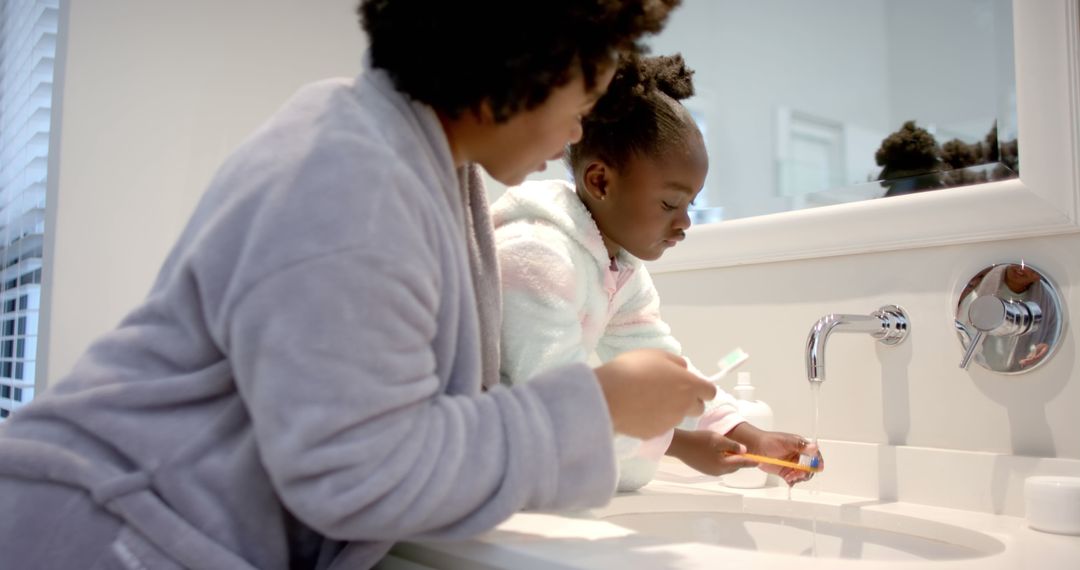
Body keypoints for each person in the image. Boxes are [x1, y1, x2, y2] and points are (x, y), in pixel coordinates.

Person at [0, 2, 718, 568]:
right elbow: (359, 471)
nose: (577, 130)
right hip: (95, 538)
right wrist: (594, 407)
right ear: (523, 53)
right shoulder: (354, 173)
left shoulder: (420, 169)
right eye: (584, 92)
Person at [493, 53, 822, 492]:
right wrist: (681, 445)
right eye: (669, 204)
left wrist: (749, 436)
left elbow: (670, 378)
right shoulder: (535, 256)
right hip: (481, 472)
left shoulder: (619, 266)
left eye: (691, 204)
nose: (684, 221)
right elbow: (561, 406)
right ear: (601, 182)